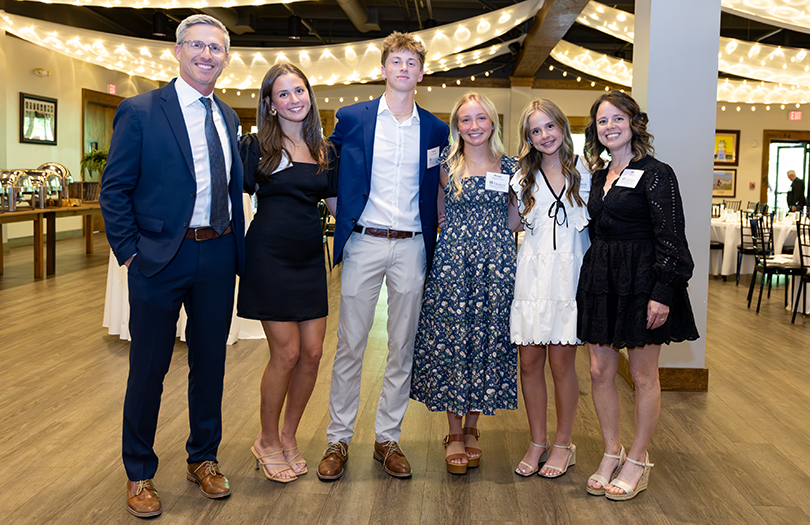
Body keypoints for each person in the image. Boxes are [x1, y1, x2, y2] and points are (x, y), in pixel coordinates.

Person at [99, 14, 244, 518]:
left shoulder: (227, 116)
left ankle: (202, 458)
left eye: (217, 48)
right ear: (178, 51)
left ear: (226, 58)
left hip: (218, 253)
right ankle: (139, 471)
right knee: (149, 369)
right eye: (198, 46)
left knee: (210, 364)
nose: (208, 55)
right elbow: (113, 190)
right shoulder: (140, 110)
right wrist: (132, 254)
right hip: (159, 258)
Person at [317, 31, 450, 481]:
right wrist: (346, 214)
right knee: (351, 344)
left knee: (402, 347)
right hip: (365, 242)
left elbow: (438, 189)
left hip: (413, 244)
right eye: (397, 61)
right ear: (383, 68)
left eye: (412, 62)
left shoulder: (434, 128)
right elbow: (330, 172)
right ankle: (338, 438)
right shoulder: (353, 117)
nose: (404, 69)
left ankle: (387, 438)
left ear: (421, 72)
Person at [577, 91, 699, 501]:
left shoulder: (657, 172)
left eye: (616, 119)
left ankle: (639, 458)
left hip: (642, 281)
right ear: (595, 131)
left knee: (644, 376)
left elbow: (672, 238)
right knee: (598, 372)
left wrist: (663, 292)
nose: (609, 126)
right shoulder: (598, 175)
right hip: (602, 279)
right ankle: (612, 450)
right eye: (601, 121)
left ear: (633, 123)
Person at [410, 92, 520, 475]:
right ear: (457, 125)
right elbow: (435, 208)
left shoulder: (511, 166)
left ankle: (474, 425)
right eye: (465, 120)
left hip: (496, 267)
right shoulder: (444, 164)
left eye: (480, 119)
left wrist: (497, 252)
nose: (473, 126)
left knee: (488, 342)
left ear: (493, 122)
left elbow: (514, 217)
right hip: (453, 267)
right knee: (454, 343)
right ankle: (454, 431)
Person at [237, 64, 337, 483]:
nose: (294, 99)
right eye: (284, 94)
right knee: (288, 353)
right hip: (269, 257)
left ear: (309, 96)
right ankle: (266, 438)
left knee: (313, 353)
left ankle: (290, 437)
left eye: (300, 91)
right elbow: (226, 200)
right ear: (270, 104)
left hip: (310, 258)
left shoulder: (325, 150)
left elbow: (336, 208)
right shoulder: (255, 147)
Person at [510, 99, 590, 478]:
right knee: (528, 361)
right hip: (531, 275)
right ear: (528, 137)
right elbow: (510, 223)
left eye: (549, 127)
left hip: (569, 278)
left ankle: (563, 443)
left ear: (562, 126)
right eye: (535, 130)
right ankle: (537, 440)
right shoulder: (520, 178)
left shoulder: (588, 174)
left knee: (561, 363)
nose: (544, 136)